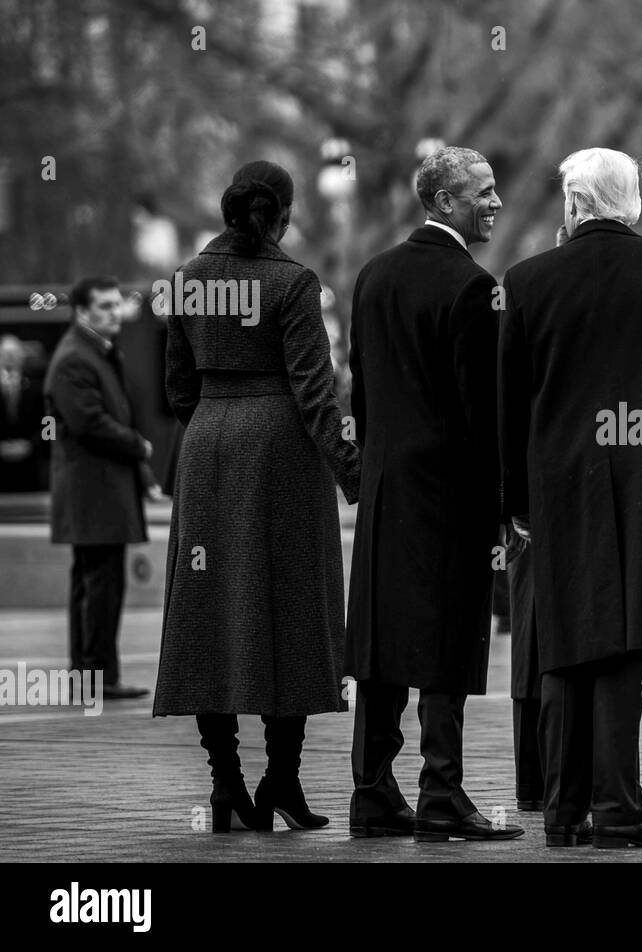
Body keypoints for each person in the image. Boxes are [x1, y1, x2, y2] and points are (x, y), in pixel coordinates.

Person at [499, 147, 642, 849]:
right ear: (632, 201)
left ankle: (563, 813)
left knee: (562, 644)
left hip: (556, 482)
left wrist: (514, 501)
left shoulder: (526, 280)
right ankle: (618, 809)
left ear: (574, 205)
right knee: (625, 642)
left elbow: (511, 405)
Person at [152, 161, 362, 833]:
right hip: (280, 453)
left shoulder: (187, 280)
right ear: (284, 216)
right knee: (290, 611)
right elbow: (313, 390)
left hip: (207, 445)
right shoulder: (292, 282)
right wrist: (351, 471)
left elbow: (177, 389)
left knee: (208, 618)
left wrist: (212, 423)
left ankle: (225, 787)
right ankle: (282, 781)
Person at [345, 146, 521, 843]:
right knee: (447, 639)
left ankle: (371, 792)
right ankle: (441, 792)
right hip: (449, 492)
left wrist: (366, 474)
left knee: (383, 641)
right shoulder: (472, 288)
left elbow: (362, 390)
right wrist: (505, 503)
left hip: (386, 485)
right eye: (482, 191)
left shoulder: (373, 276)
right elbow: (483, 413)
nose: (496, 202)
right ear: (444, 201)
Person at [45, 277, 157, 701]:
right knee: (100, 586)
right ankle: (97, 677)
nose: (115, 313)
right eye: (105, 306)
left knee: (95, 584)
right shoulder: (77, 357)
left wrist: (142, 473)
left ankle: (90, 674)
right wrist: (138, 445)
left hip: (99, 492)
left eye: (116, 305)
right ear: (81, 311)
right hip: (94, 493)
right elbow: (88, 422)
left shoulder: (95, 353)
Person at [0, 335, 46, 492]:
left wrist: (33, 445)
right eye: (5, 353)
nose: (10, 357)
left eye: (14, 353)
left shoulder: (39, 385)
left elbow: (51, 423)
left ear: (22, 356)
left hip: (32, 464)